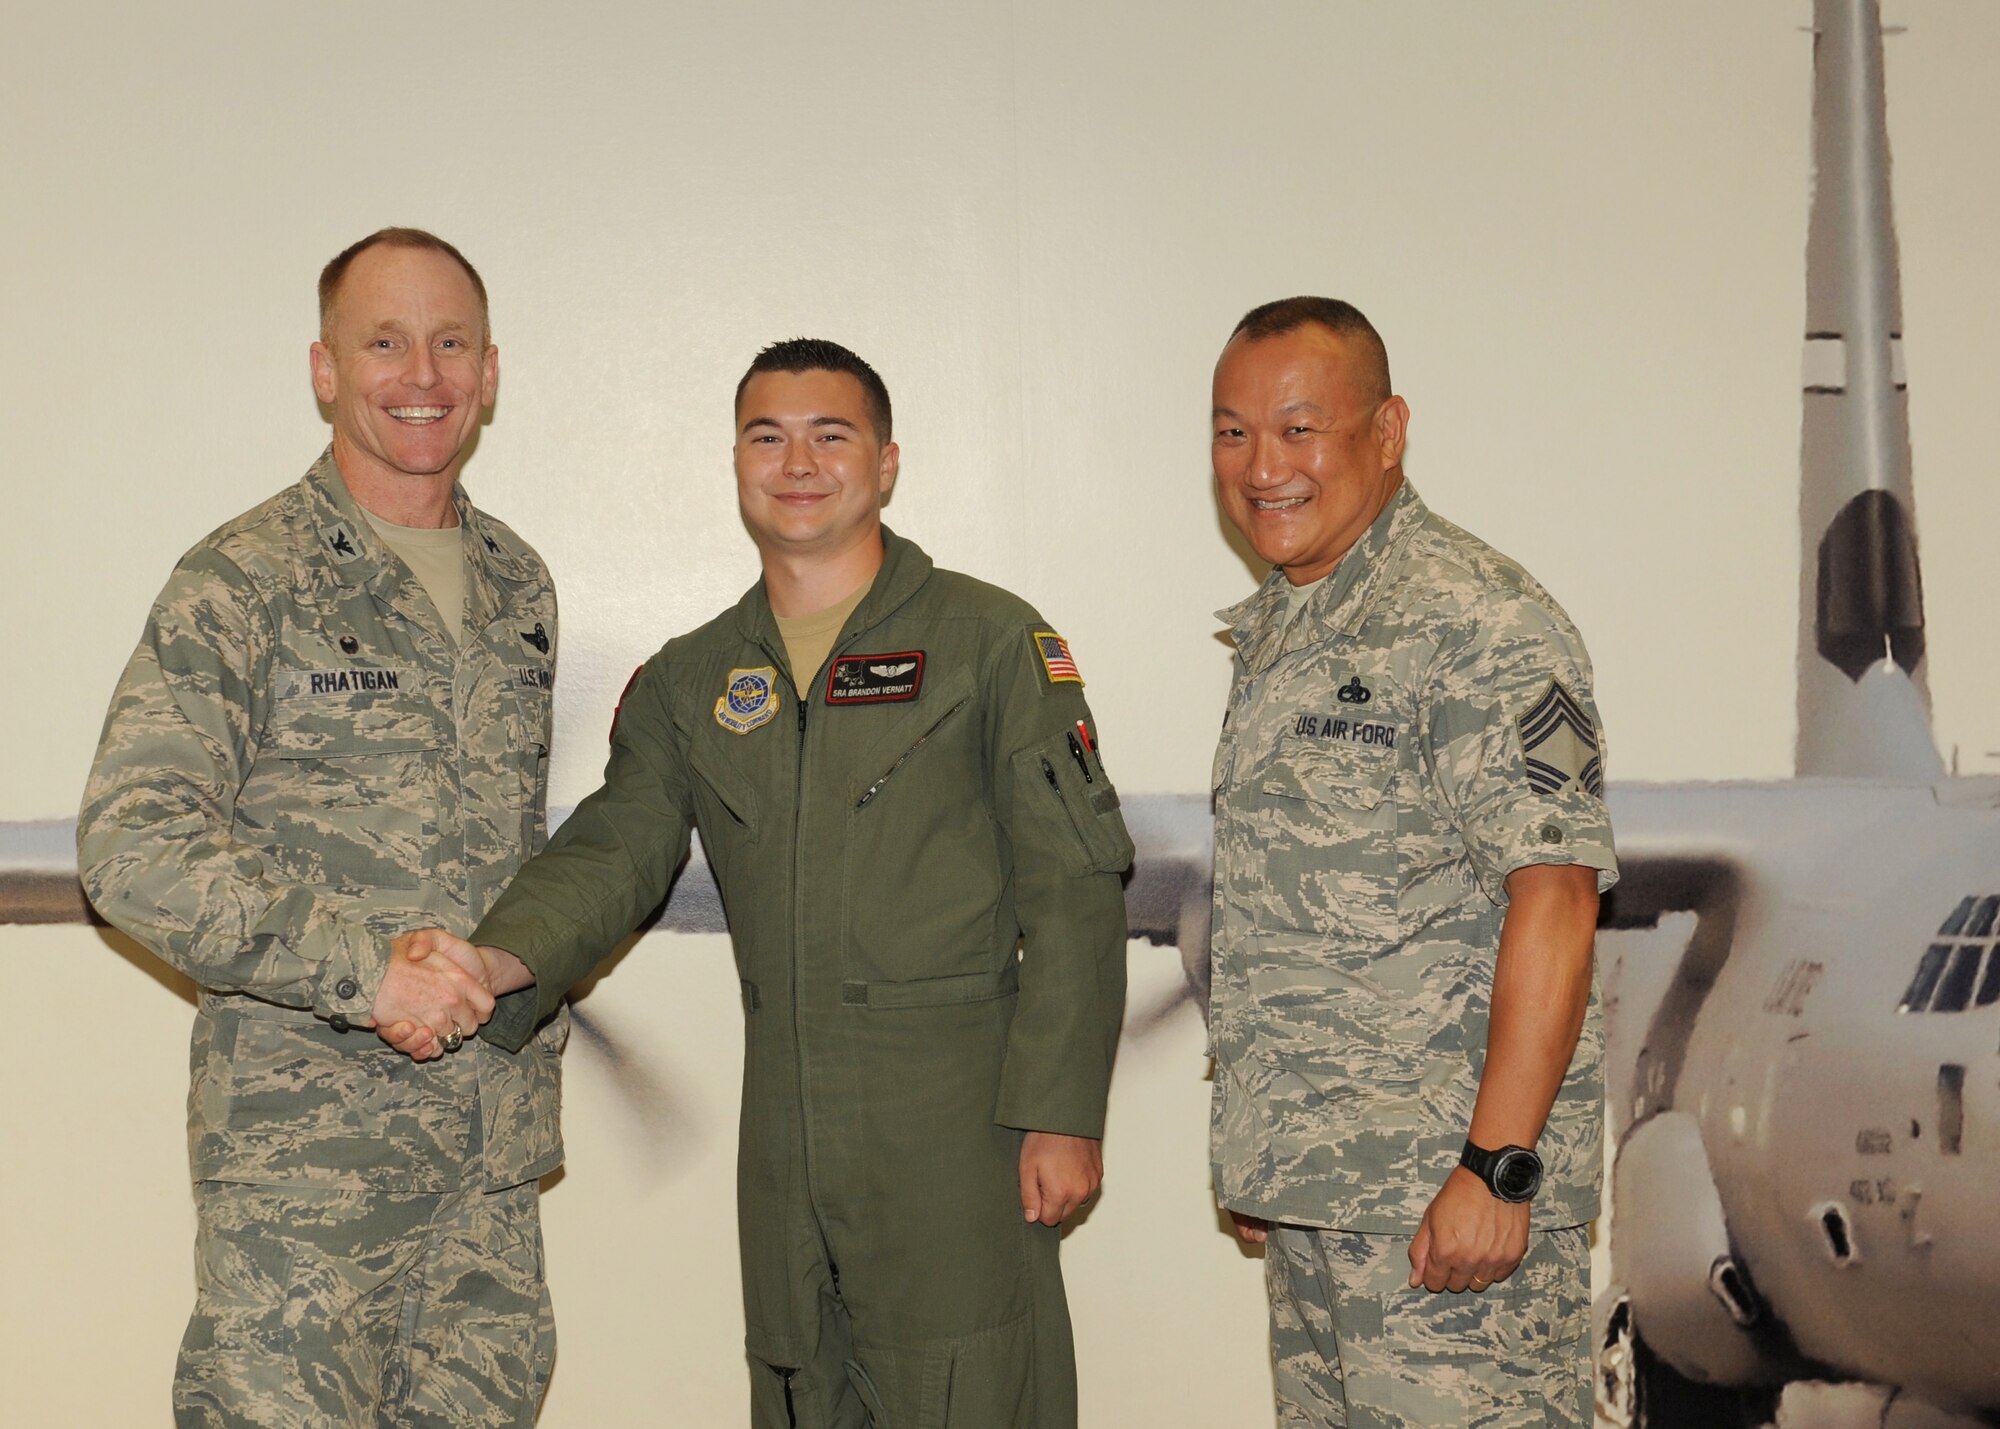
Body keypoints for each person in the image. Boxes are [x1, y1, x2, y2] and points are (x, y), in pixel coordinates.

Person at [391, 338, 1131, 1428]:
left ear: (884, 464)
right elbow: (617, 848)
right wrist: (491, 961)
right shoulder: (695, 677)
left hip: (957, 1132)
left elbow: (1073, 886)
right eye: (766, 435)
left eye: (830, 434)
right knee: (798, 1389)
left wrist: (1061, 1112)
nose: (797, 461)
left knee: (974, 1387)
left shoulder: (988, 641)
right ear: (736, 461)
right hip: (783, 1139)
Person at [78, 228, 564, 1428]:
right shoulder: (243, 579)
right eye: (384, 341)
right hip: (308, 1183)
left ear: (490, 372)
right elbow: (132, 845)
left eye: (452, 343)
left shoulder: (519, 584)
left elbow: (505, 846)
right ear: (325, 370)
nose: (422, 374)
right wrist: (364, 973)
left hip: (486, 1177)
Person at [1205, 297, 1615, 1428]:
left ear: (1385, 432)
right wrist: (1272, 1145)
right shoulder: (1290, 624)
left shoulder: (1479, 622)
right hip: (1327, 1193)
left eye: (1298, 429)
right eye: (1231, 430)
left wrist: (1497, 1166)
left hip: (1451, 1216)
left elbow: (1559, 898)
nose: (1260, 466)